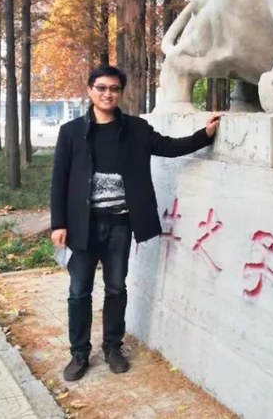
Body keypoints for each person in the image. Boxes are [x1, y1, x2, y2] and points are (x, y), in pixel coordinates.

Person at [50, 65, 222, 381]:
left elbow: (169, 147)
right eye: (101, 88)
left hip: (119, 225)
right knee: (79, 292)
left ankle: (113, 347)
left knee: (116, 288)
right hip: (82, 227)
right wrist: (58, 223)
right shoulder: (71, 132)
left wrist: (204, 135)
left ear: (120, 93)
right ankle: (79, 354)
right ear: (90, 90)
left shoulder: (136, 129)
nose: (108, 94)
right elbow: (59, 179)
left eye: (114, 89)